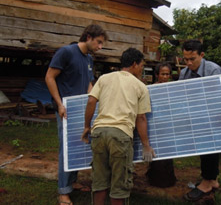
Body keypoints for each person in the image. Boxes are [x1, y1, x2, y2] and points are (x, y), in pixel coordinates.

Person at [81, 48, 156, 205]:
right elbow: (141, 118)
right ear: (134, 64)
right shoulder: (140, 86)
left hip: (99, 133)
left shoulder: (104, 78)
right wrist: (146, 146)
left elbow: (91, 102)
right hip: (120, 136)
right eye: (141, 65)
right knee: (119, 184)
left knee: (99, 181)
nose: (142, 69)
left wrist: (87, 127)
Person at [45, 24, 108, 205]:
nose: (100, 47)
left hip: (81, 108)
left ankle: (71, 183)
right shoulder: (66, 52)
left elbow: (89, 85)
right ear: (88, 37)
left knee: (78, 145)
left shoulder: (88, 59)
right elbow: (49, 77)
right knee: (66, 149)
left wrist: (94, 102)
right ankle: (63, 191)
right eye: (99, 42)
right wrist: (59, 104)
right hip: (65, 109)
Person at [180, 40, 221, 202]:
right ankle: (212, 180)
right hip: (195, 117)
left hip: (211, 117)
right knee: (203, 150)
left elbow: (214, 96)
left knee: (210, 148)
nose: (189, 63)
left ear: (202, 55)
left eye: (192, 59)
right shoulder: (184, 73)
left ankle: (207, 183)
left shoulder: (213, 70)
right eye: (185, 59)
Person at [146, 62, 177, 188]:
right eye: (163, 74)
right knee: (156, 151)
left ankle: (168, 179)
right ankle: (154, 178)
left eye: (167, 74)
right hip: (155, 124)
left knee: (167, 151)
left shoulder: (173, 88)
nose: (165, 77)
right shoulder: (151, 89)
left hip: (168, 124)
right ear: (157, 75)